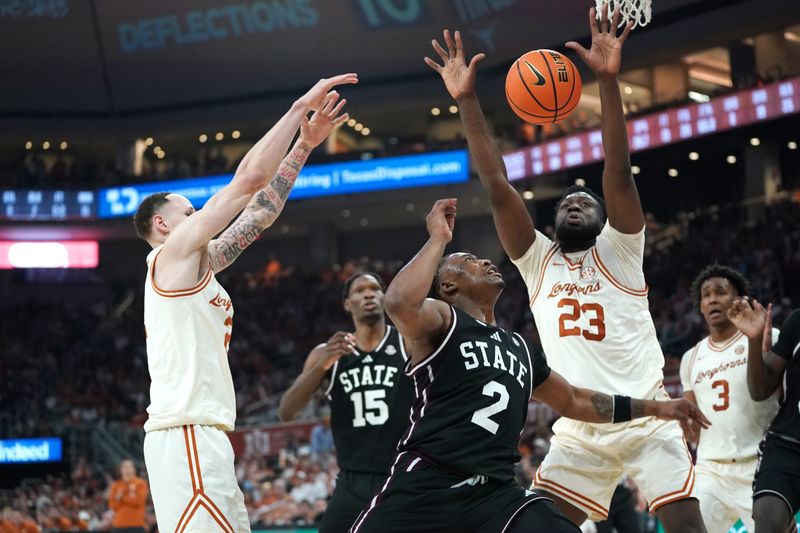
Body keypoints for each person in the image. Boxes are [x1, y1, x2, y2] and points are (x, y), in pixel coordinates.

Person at [424, 7, 707, 531]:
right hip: (581, 426)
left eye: (587, 202)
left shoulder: (622, 249)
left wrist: (607, 81)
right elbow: (496, 184)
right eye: (567, 203)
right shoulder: (536, 259)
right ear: (552, 222)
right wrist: (466, 101)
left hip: (649, 416)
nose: (576, 204)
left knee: (688, 526)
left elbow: (617, 172)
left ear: (604, 219)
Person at [349, 199, 709, 533]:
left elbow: (575, 401)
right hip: (427, 483)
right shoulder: (444, 321)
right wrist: (438, 240)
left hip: (495, 494)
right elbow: (398, 303)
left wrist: (656, 408)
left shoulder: (520, 346)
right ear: (448, 285)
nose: (488, 261)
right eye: (472, 261)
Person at [132, 72, 357, 533]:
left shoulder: (198, 264)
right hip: (187, 433)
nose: (200, 217)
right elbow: (250, 179)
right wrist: (298, 111)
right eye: (191, 214)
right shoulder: (171, 257)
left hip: (201, 434)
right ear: (163, 224)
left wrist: (306, 146)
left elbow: (260, 211)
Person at [278, 271, 414, 533]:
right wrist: (323, 364)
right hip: (352, 481)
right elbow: (286, 411)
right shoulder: (328, 353)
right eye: (360, 290)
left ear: (384, 297)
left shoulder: (407, 342)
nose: (368, 294)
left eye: (374, 288)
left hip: (402, 475)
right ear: (347, 304)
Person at [680, 265, 780, 532]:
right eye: (706, 295)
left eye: (720, 292)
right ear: (700, 306)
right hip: (711, 469)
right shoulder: (691, 358)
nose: (712, 299)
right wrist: (682, 426)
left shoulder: (769, 336)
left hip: (760, 464)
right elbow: (694, 432)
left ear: (739, 299)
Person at [728, 299, 800, 533]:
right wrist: (754, 339)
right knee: (768, 519)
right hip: (788, 445)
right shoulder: (797, 320)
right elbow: (760, 390)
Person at [108, 459, 149, 533]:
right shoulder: (116, 485)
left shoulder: (141, 483)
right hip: (119, 525)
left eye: (129, 467)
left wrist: (122, 498)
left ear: (134, 469)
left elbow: (139, 501)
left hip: (136, 524)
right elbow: (112, 505)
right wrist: (123, 498)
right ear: (120, 470)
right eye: (124, 467)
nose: (127, 469)